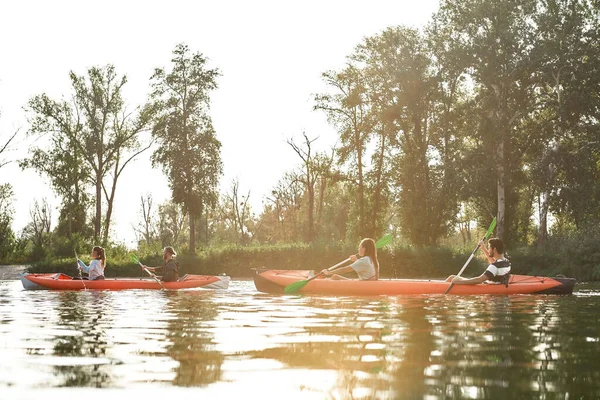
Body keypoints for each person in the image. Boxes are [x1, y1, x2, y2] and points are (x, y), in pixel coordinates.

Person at [446, 237, 511, 285]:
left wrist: (459, 282)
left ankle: (440, 288)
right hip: (496, 285)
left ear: (494, 249)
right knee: (452, 277)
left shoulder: (495, 266)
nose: (488, 250)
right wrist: (483, 248)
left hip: (484, 286)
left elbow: (480, 280)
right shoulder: (506, 262)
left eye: (489, 248)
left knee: (451, 278)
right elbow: (494, 262)